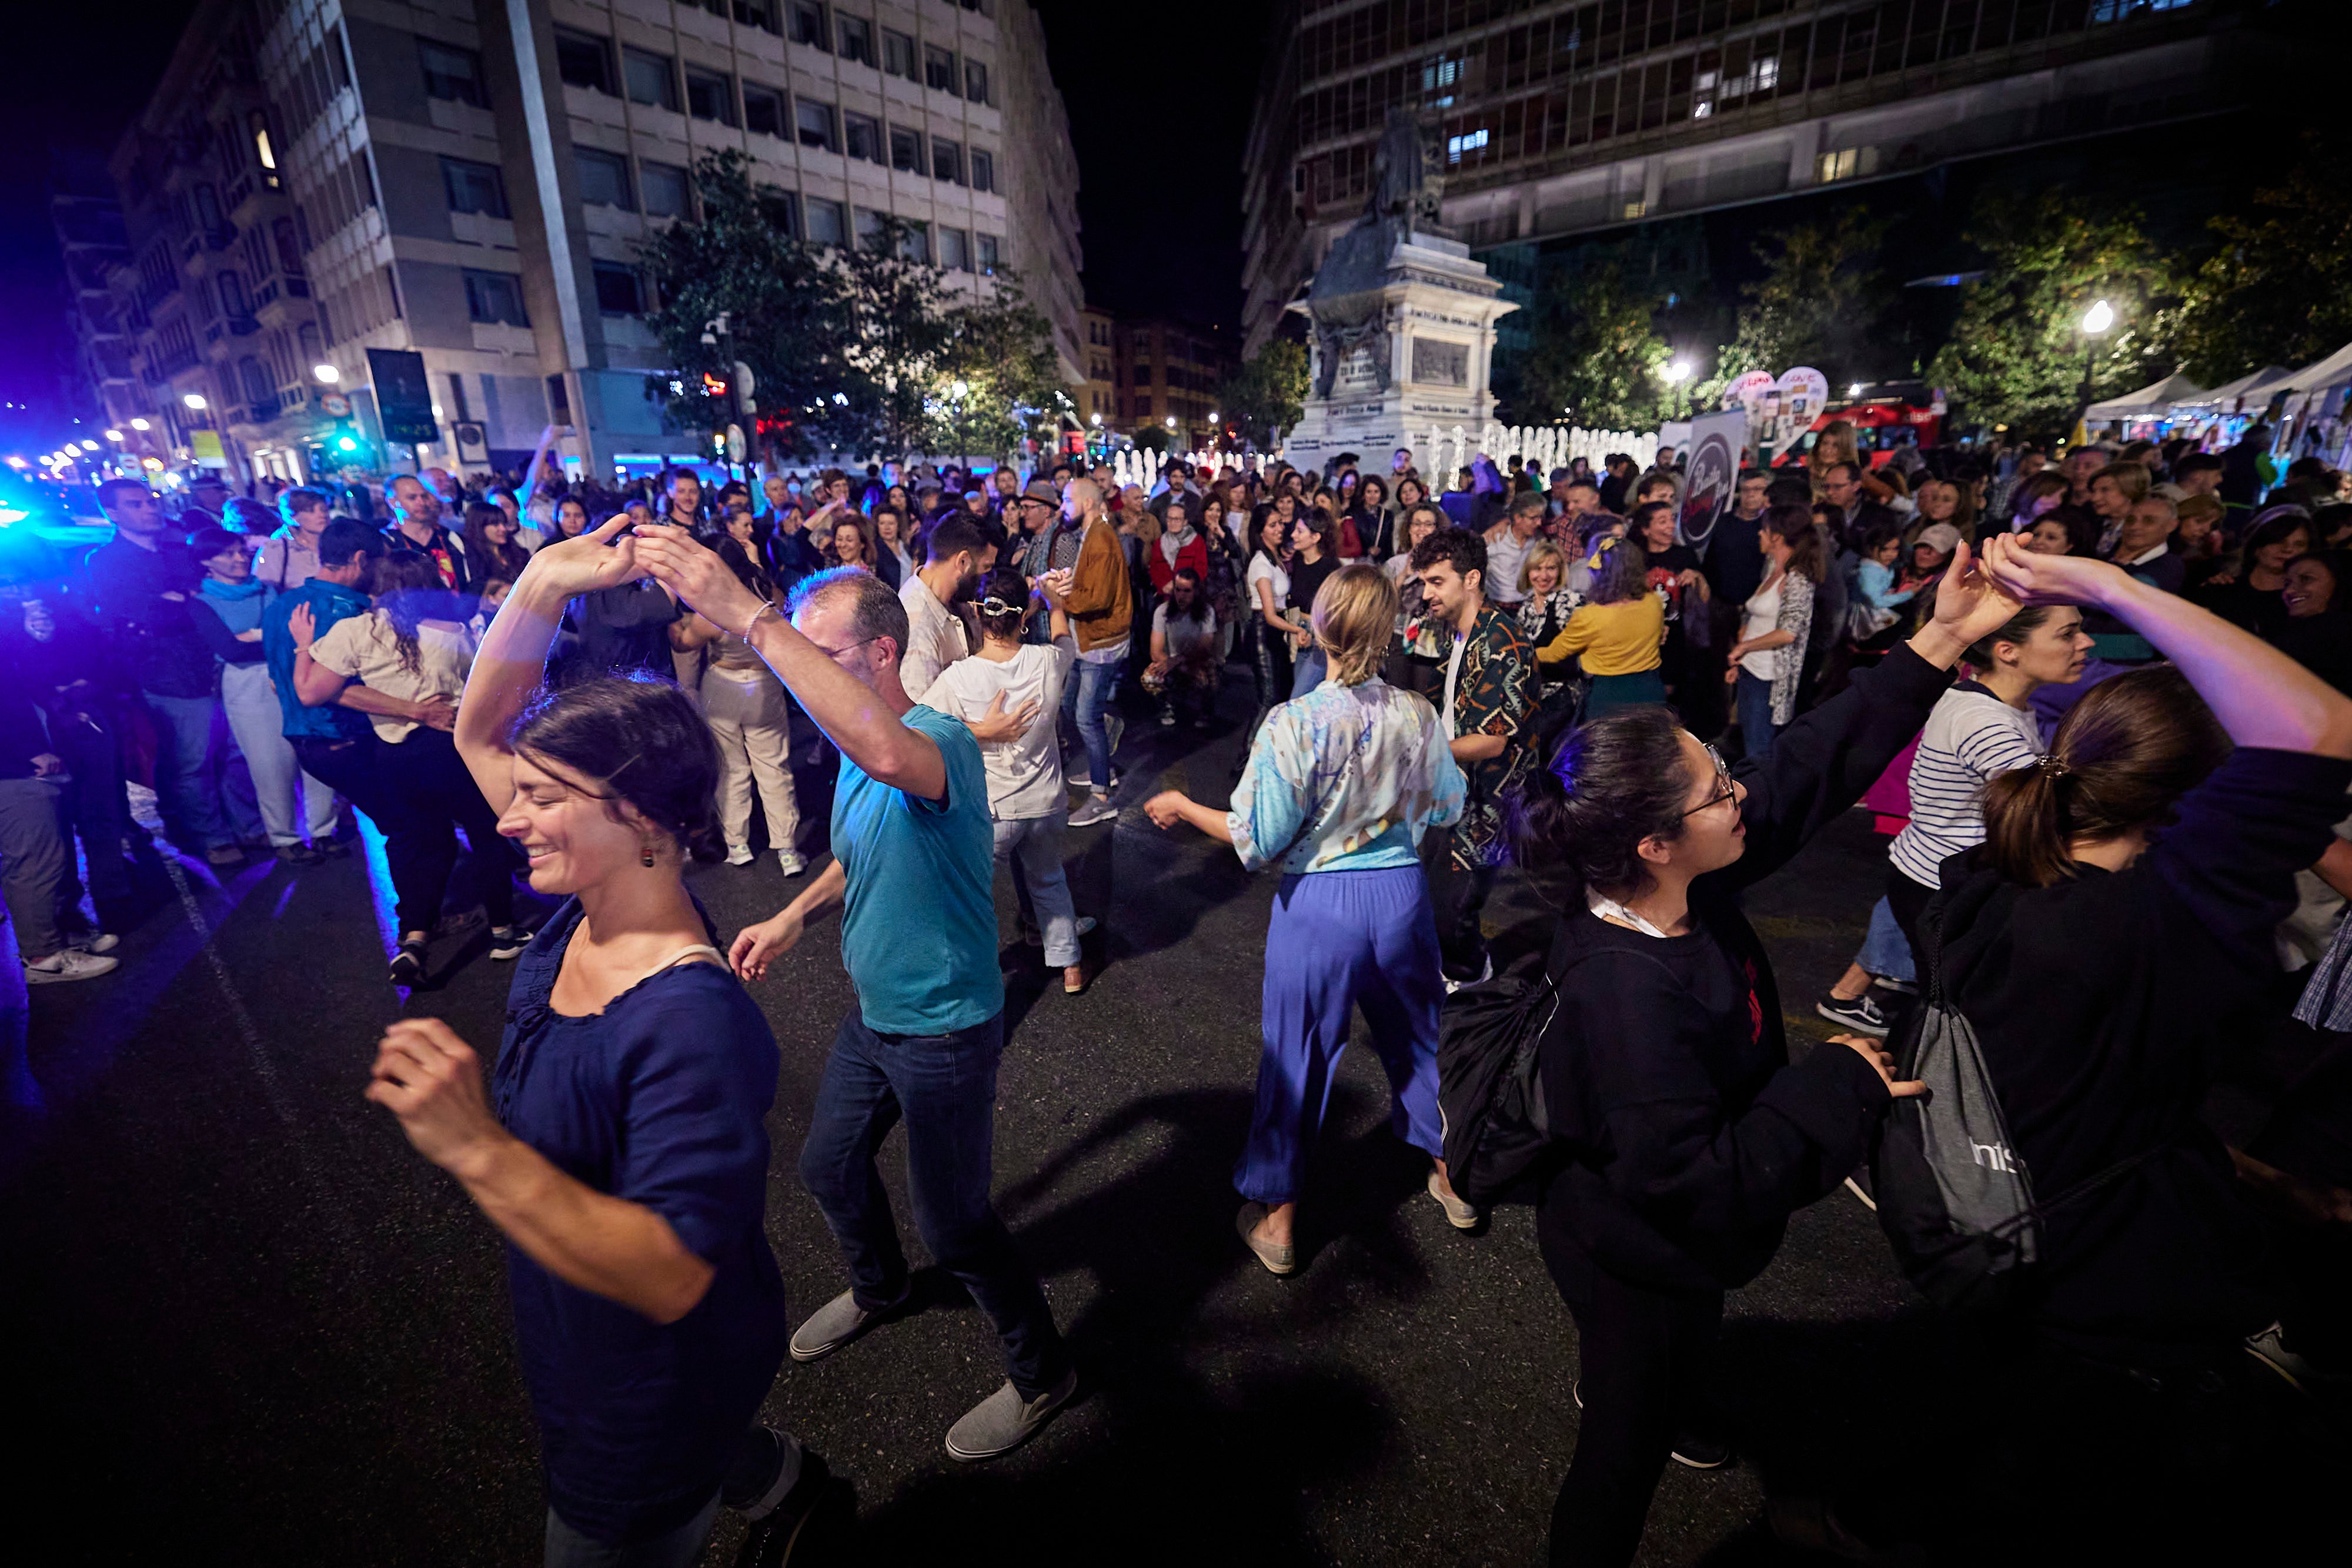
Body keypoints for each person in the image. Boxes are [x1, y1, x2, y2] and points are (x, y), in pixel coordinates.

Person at [1509, 540, 2023, 1568]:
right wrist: (1840, 1082)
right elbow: (1691, 1174)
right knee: (1620, 1449)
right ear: (1657, 842)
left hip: (1661, 1237)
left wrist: (1943, 636)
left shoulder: (1681, 879)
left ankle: (1678, 1391)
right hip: (1638, 1253)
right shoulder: (1627, 994)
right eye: (1716, 792)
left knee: (1670, 1369)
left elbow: (1806, 764)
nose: (1739, 793)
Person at [366, 517, 831, 1566]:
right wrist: (540, 582)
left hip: (648, 1381)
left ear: (644, 820)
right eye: (522, 793)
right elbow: (479, 735)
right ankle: (782, 1481)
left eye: (542, 797)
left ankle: (752, 1477)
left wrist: (474, 1143)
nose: (507, 817)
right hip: (586, 1328)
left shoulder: (688, 1023)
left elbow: (668, 1273)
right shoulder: (589, 897)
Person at [1913, 536, 2352, 1555]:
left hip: (2005, 1251)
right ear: (2195, 803)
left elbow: (2082, 1098)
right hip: (2107, 1305)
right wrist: (2109, 586)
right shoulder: (2156, 923)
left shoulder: (1991, 874)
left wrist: (2265, 1183)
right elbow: (2323, 730)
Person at [632, 536, 1080, 1464]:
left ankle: (1045, 1373)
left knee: (956, 1223)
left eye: (819, 653)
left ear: (881, 653)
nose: (798, 674)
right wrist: (798, 909)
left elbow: (889, 758)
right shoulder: (857, 750)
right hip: (875, 1017)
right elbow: (861, 843)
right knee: (828, 1167)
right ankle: (881, 1288)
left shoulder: (937, 739)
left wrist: (745, 612)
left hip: (946, 1026)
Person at [1144, 565, 1474, 1272]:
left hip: (1321, 903)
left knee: (1296, 1054)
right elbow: (1447, 804)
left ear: (1318, 629)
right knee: (1418, 1039)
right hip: (1398, 894)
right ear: (1387, 631)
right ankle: (1451, 1173)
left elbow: (1255, 836)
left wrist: (1179, 805)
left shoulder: (1294, 722)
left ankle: (1281, 1217)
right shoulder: (1416, 712)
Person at [293, 550, 527, 982]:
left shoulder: (354, 631)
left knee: (413, 843)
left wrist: (304, 645)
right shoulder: (450, 632)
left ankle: (414, 938)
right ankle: (503, 930)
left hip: (395, 757)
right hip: (452, 749)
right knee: (486, 834)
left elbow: (312, 692)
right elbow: (484, 689)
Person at [920, 566, 1090, 995]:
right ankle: (1070, 964)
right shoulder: (1047, 662)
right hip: (1048, 803)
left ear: (977, 613)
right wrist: (1054, 602)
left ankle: (971, 973)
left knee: (972, 892)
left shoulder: (958, 678)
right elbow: (1066, 640)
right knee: (1049, 878)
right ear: (1023, 618)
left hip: (992, 811)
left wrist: (978, 730)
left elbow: (917, 728)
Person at [86, 478, 248, 865]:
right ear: (113, 513)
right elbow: (139, 613)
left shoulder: (179, 551)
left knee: (234, 752)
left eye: (150, 501)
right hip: (166, 672)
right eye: (136, 504)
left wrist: (184, 600)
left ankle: (242, 824)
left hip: (216, 662)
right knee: (192, 759)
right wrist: (183, 603)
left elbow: (208, 594)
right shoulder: (107, 561)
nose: (149, 509)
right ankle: (208, 835)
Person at [1411, 526, 1535, 985]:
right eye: (1424, 582)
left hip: (1485, 799)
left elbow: (1493, 738)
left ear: (1471, 579)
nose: (1427, 593)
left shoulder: (1501, 639)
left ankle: (1470, 984)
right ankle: (1454, 972)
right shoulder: (1457, 633)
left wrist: (1416, 751)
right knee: (1431, 895)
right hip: (1451, 786)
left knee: (1453, 906)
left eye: (1436, 581)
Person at [186, 526, 335, 864]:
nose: (240, 558)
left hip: (289, 673)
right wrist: (275, 638)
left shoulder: (268, 590)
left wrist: (254, 636)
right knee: (270, 762)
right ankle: (285, 837)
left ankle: (324, 830)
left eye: (241, 550)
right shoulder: (203, 604)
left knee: (315, 751)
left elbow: (293, 632)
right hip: (247, 683)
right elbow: (230, 651)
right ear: (206, 561)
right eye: (228, 553)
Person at [670, 541, 807, 875]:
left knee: (731, 769)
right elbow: (787, 612)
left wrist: (672, 622)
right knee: (774, 766)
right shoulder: (765, 594)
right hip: (764, 685)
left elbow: (684, 641)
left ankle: (738, 844)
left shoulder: (714, 607)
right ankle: (787, 849)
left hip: (723, 686)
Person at [2, 685, 119, 984]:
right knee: (35, 865)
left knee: (55, 857)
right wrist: (22, 756)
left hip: (28, 769)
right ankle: (45, 957)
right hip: (14, 774)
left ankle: (65, 935)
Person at [1061, 478, 1134, 826]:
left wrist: (1057, 598)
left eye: (1066, 499)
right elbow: (1089, 586)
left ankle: (1102, 796)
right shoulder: (1093, 534)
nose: (1063, 506)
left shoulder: (1102, 537)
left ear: (1087, 503)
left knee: (1085, 716)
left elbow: (1097, 599)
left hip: (1100, 643)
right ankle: (1101, 753)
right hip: (1087, 640)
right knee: (1072, 706)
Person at [1726, 504, 1822, 765]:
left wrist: (1743, 648)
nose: (1759, 534)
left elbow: (1788, 633)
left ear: (1777, 536)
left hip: (1769, 677)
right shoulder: (1772, 567)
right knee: (1750, 741)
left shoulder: (1798, 579)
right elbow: (1758, 617)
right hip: (1751, 669)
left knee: (1761, 750)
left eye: (1764, 530)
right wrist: (1742, 654)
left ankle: (1763, 802)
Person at [1537, 542, 1666, 720]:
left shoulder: (1590, 616)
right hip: (1650, 691)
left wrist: (1524, 651)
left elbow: (1554, 654)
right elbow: (1659, 637)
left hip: (1609, 697)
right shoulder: (1654, 603)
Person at [896, 515, 994, 703]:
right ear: (963, 562)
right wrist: (985, 731)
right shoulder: (917, 626)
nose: (988, 577)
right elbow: (918, 718)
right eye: (986, 567)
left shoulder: (955, 600)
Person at [1145, 566, 1220, 728]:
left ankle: (1205, 711)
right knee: (1150, 675)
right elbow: (1155, 650)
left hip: (1193, 661)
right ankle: (1166, 707)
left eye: (1187, 591)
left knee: (1209, 672)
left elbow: (1204, 648)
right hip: (1171, 660)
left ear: (1196, 592)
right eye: (1178, 590)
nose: (1181, 596)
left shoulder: (1207, 612)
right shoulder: (1162, 612)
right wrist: (1171, 663)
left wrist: (1179, 662)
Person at [2269, 551, 2352, 693]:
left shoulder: (2336, 633)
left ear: (2340, 581)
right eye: (2287, 583)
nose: (2290, 591)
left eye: (2306, 579)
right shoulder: (2292, 630)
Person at [385, 475, 472, 592]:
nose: (421, 503)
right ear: (393, 502)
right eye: (412, 498)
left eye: (424, 496)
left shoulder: (451, 538)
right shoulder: (387, 543)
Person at [256, 486, 332, 589]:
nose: (322, 515)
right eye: (311, 511)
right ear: (292, 516)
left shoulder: (337, 543)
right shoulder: (276, 548)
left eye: (324, 509)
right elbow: (265, 588)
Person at [464, 501, 533, 588]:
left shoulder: (519, 553)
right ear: (479, 527)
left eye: (504, 524)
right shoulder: (473, 559)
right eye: (496, 524)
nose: (503, 529)